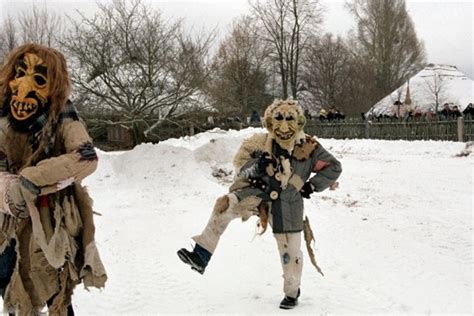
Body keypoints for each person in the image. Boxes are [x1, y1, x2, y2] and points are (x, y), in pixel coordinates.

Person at [177, 99, 342, 310]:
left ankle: (292, 292)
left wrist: (310, 186)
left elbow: (333, 167)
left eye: (289, 118)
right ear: (271, 122)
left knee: (289, 253)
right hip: (258, 195)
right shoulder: (259, 143)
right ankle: (201, 255)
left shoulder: (309, 147)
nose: (284, 125)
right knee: (225, 205)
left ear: (299, 121)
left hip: (288, 205)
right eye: (279, 118)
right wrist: (257, 165)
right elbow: (241, 168)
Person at [0, 43, 107, 315]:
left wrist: (33, 178)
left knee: (55, 290)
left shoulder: (61, 113)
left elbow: (85, 157)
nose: (24, 87)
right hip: (5, 224)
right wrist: (8, 191)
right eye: (19, 73)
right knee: (13, 289)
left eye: (39, 79)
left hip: (50, 222)